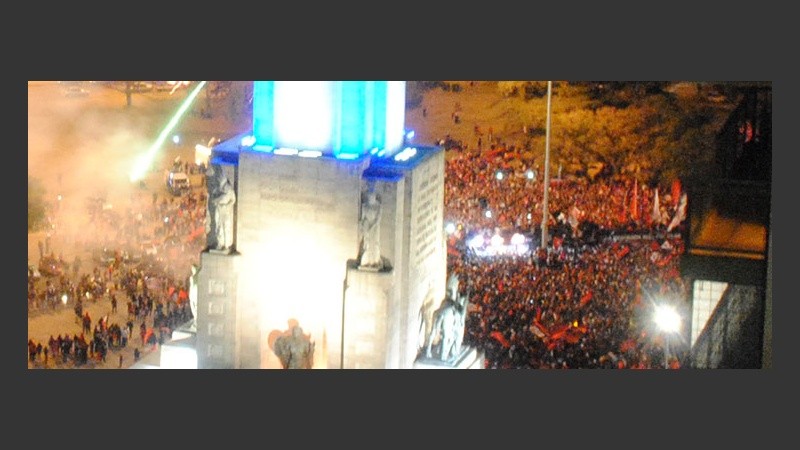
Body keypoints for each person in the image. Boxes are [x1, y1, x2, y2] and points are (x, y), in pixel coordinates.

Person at [205, 164, 236, 252]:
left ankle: (226, 245)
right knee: (218, 227)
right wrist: (217, 200)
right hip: (218, 209)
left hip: (225, 211)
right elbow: (213, 198)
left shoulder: (229, 190)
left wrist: (226, 205)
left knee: (226, 226)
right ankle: (220, 243)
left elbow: (233, 200)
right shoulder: (217, 189)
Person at [359, 190, 382, 269]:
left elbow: (378, 218)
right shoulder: (365, 206)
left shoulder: (378, 206)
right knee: (367, 243)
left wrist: (374, 226)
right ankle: (366, 261)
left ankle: (375, 260)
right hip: (367, 227)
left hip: (375, 228)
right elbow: (363, 219)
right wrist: (365, 226)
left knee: (375, 243)